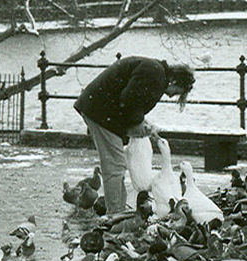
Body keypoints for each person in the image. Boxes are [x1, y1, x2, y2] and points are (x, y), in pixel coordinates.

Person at [74, 56, 195, 214]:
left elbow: (131, 100)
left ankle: (118, 209)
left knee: (117, 164)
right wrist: (138, 123)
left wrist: (141, 122)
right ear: (175, 81)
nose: (172, 96)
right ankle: (115, 213)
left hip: (100, 109)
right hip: (100, 113)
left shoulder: (155, 72)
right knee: (115, 165)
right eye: (178, 92)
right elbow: (130, 99)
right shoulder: (156, 75)